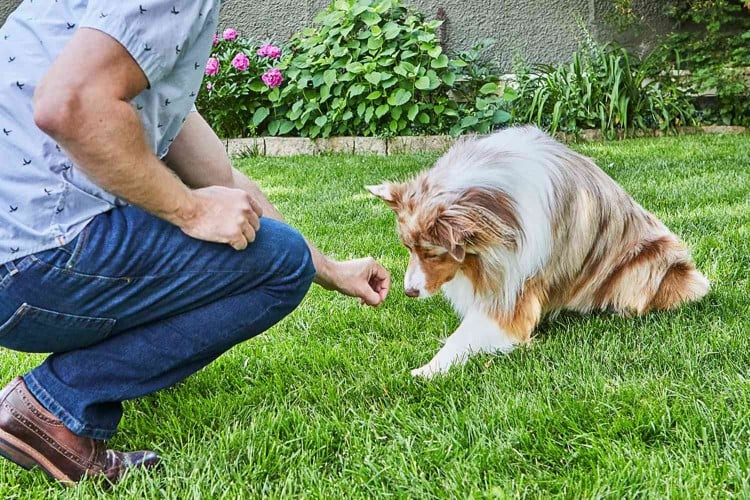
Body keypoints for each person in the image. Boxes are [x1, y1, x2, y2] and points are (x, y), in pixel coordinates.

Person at [0, 1, 390, 485]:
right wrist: (191, 209)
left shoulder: (123, 48)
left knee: (282, 253)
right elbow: (70, 105)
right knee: (281, 263)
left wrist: (329, 269)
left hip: (17, 263)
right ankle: (53, 403)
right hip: (30, 263)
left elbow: (220, 175)